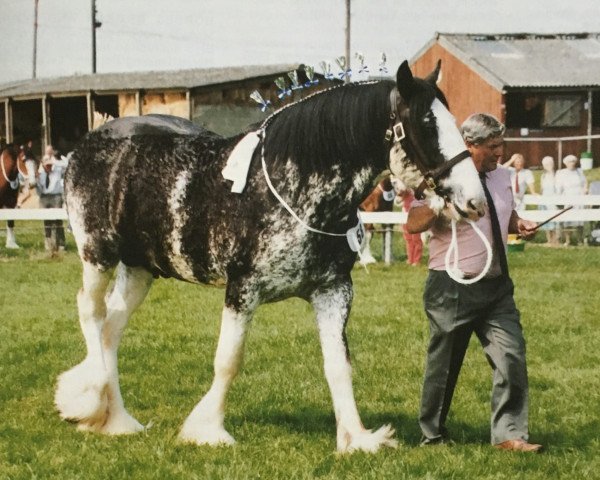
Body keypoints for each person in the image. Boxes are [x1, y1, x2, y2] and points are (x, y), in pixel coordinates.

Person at [406, 113, 542, 453]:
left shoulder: (503, 176)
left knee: (511, 357)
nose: (501, 152)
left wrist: (519, 223)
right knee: (444, 367)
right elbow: (412, 224)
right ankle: (432, 434)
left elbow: (503, 215)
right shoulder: (439, 177)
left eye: (501, 145)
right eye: (493, 146)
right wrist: (440, 202)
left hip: (497, 288)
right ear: (470, 145)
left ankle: (509, 435)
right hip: (451, 287)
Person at [37, 145, 68, 253]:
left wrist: (54, 161)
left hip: (56, 197)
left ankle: (61, 243)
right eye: (46, 165)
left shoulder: (58, 167)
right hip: (44, 197)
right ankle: (49, 243)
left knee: (57, 221)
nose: (48, 167)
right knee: (46, 221)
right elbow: (39, 185)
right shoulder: (41, 169)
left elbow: (67, 163)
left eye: (49, 165)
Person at [555, 154, 588, 245]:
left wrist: (585, 190)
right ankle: (568, 240)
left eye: (573, 161)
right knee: (568, 220)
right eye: (570, 162)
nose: (572, 163)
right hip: (568, 197)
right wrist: (559, 199)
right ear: (565, 163)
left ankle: (580, 240)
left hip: (579, 197)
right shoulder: (561, 173)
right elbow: (558, 187)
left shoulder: (579, 171)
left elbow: (585, 183)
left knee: (580, 220)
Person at [396, 184, 423, 266]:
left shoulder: (419, 189)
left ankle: (417, 260)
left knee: (416, 239)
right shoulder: (406, 190)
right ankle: (410, 259)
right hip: (405, 215)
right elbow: (398, 198)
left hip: (416, 214)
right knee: (408, 239)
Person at [539, 156, 559, 246]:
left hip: (554, 199)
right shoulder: (543, 176)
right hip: (545, 200)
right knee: (546, 220)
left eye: (550, 163)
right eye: (546, 164)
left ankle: (556, 240)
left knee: (555, 220)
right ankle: (549, 240)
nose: (548, 165)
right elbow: (541, 189)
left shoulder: (557, 175)